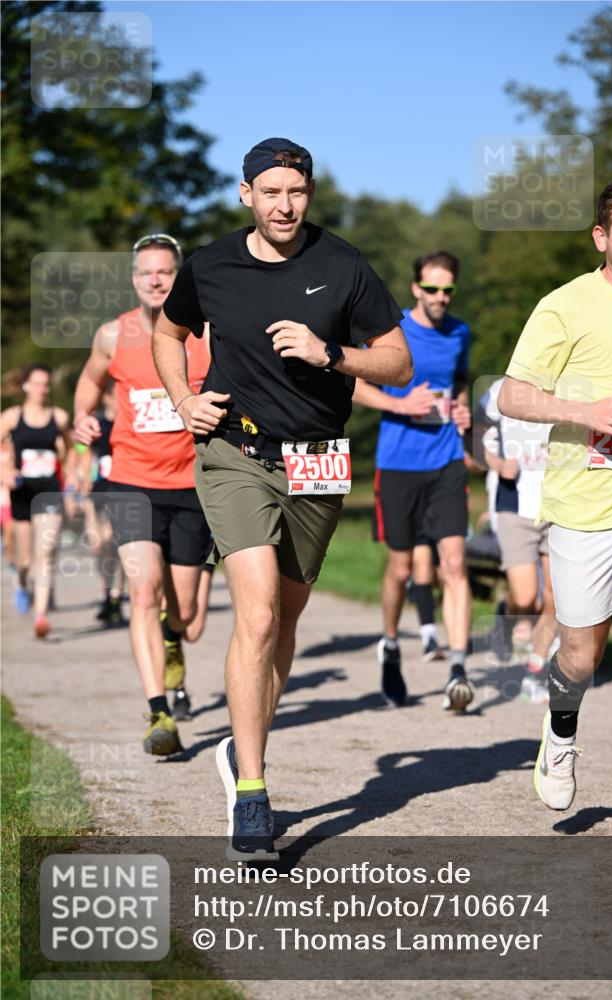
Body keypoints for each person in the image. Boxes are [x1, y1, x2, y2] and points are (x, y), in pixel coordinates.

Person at [153, 137, 412, 860]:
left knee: (285, 623)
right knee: (258, 610)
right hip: (235, 452)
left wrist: (331, 353)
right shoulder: (209, 266)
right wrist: (182, 399)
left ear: (309, 194)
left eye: (294, 192)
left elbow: (397, 361)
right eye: (269, 191)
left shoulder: (341, 264)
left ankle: (246, 744)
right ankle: (254, 791)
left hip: (320, 461)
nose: (283, 204)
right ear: (245, 195)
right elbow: (167, 331)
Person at [497, 167, 612, 855]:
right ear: (602, 236)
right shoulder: (563, 307)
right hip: (583, 510)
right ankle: (559, 731)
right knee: (580, 654)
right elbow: (510, 395)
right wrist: (583, 411)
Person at [73, 233, 211, 748]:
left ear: (180, 277)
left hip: (195, 484)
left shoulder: (207, 333)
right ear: (134, 280)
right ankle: (159, 713)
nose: (156, 281)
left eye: (166, 273)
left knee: (189, 618)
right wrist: (81, 419)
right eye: (146, 273)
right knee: (143, 589)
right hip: (131, 481)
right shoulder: (114, 335)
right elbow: (89, 383)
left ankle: (173, 639)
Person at [353, 251, 472, 710]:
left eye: (449, 290)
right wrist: (400, 405)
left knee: (454, 563)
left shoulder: (459, 332)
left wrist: (461, 408)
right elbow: (354, 382)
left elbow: (457, 382)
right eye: (433, 289)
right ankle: (390, 644)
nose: (441, 297)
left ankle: (458, 668)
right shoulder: (392, 329)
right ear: (416, 289)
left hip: (446, 461)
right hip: (398, 463)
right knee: (401, 568)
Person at [481, 378, 558, 701]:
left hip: (559, 505)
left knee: (556, 598)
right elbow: (474, 437)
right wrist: (498, 464)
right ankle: (506, 615)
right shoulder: (499, 390)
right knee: (526, 598)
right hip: (514, 504)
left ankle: (536, 672)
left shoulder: (570, 386)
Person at [0, 364, 72, 638]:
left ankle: (40, 615)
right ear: (26, 386)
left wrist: (73, 470)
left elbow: (75, 448)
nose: (43, 389)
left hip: (50, 491)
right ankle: (21, 583)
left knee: (46, 552)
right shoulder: (12, 416)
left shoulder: (60, 417)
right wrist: (5, 470)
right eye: (38, 383)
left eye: (46, 384)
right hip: (22, 492)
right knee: (26, 561)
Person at [77, 381, 125, 627]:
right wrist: (83, 477)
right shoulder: (99, 423)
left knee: (116, 543)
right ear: (106, 398)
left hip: (123, 490)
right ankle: (107, 593)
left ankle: (116, 596)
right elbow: (83, 451)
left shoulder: (128, 421)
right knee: (101, 547)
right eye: (113, 396)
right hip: (99, 492)